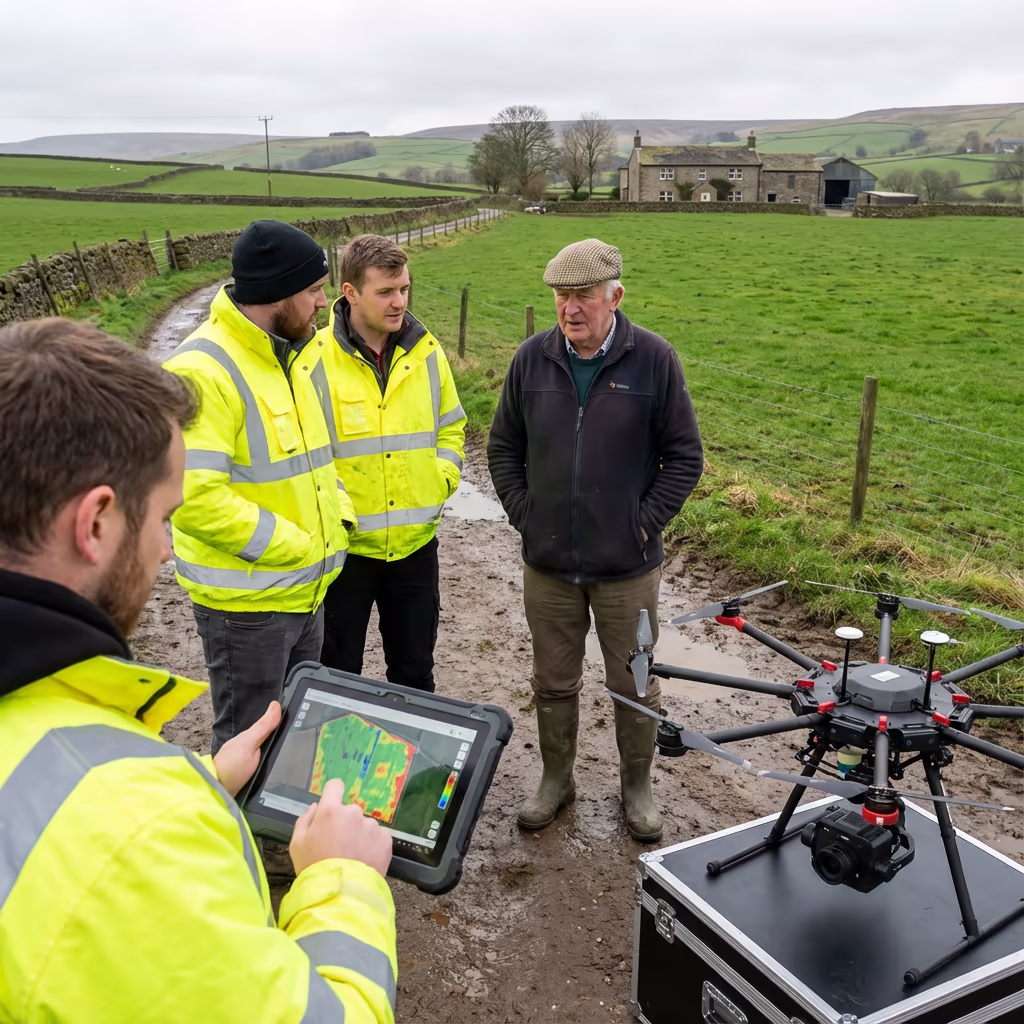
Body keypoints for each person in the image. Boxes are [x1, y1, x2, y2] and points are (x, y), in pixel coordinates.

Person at [0, 318, 396, 1022]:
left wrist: (201, 781)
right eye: (163, 521)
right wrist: (343, 880)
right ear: (95, 524)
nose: (164, 556)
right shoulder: (139, 831)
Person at [487, 238, 704, 842]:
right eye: (560, 296)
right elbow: (503, 447)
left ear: (615, 296)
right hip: (549, 564)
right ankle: (557, 780)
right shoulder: (531, 360)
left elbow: (685, 457)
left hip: (627, 568)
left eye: (583, 296)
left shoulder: (654, 360)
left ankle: (637, 787)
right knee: (553, 680)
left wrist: (642, 521)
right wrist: (525, 515)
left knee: (634, 680)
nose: (569, 309)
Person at [165, 220, 355, 753]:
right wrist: (294, 546)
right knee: (247, 744)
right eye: (315, 290)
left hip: (305, 590)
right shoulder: (203, 370)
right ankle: (244, 837)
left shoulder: (294, 354)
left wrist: (337, 519)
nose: (323, 303)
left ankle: (293, 834)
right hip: (247, 607)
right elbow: (192, 498)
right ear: (278, 292)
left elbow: (317, 462)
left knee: (299, 735)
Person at [318, 235, 466, 692]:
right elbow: (305, 453)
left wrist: (439, 480)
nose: (399, 300)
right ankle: (341, 765)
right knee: (339, 677)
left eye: (404, 288)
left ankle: (414, 765)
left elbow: (451, 427)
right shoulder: (315, 360)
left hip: (415, 549)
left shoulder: (428, 352)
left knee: (415, 674)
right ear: (351, 293)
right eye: (386, 291)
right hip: (346, 553)